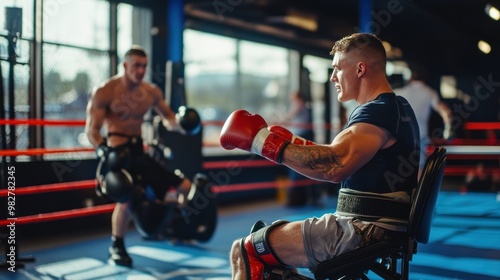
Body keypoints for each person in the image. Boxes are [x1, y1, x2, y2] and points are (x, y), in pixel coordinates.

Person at [220, 33, 420, 279]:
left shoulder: (378, 113)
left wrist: (260, 142)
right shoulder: (395, 108)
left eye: (337, 68)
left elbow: (334, 166)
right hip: (371, 225)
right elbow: (338, 153)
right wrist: (295, 143)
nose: (332, 77)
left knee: (245, 249)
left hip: (361, 230)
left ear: (360, 69)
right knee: (272, 261)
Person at [85, 46, 193, 267]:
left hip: (138, 152)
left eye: (144, 66)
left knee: (184, 185)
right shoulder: (105, 91)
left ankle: (171, 223)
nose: (141, 70)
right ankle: (117, 245)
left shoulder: (151, 92)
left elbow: (168, 118)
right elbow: (91, 130)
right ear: (125, 65)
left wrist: (183, 125)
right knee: (127, 201)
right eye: (136, 65)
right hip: (117, 154)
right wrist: (102, 149)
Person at [394, 65, 452, 176]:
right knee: (418, 170)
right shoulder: (429, 92)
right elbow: (445, 111)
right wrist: (448, 128)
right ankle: (417, 193)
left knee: (397, 170)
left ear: (411, 77)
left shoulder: (399, 92)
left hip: (400, 137)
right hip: (419, 137)